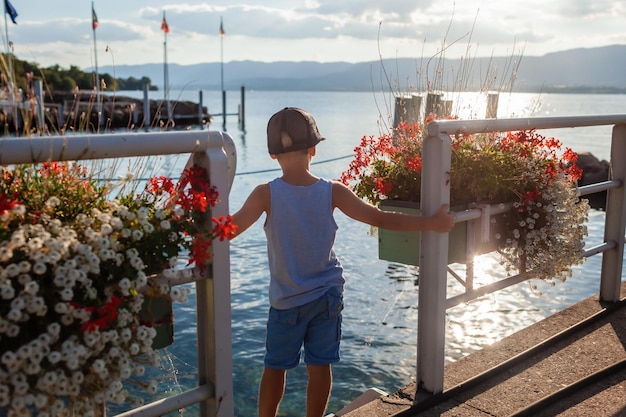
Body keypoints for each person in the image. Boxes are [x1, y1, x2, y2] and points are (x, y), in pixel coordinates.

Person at [230, 107, 455, 417]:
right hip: (326, 295)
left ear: (272, 155)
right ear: (313, 149)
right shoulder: (332, 191)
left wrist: (189, 222)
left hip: (286, 301)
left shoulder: (264, 194)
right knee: (319, 367)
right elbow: (379, 218)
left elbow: (227, 231)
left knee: (275, 368)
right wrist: (431, 223)